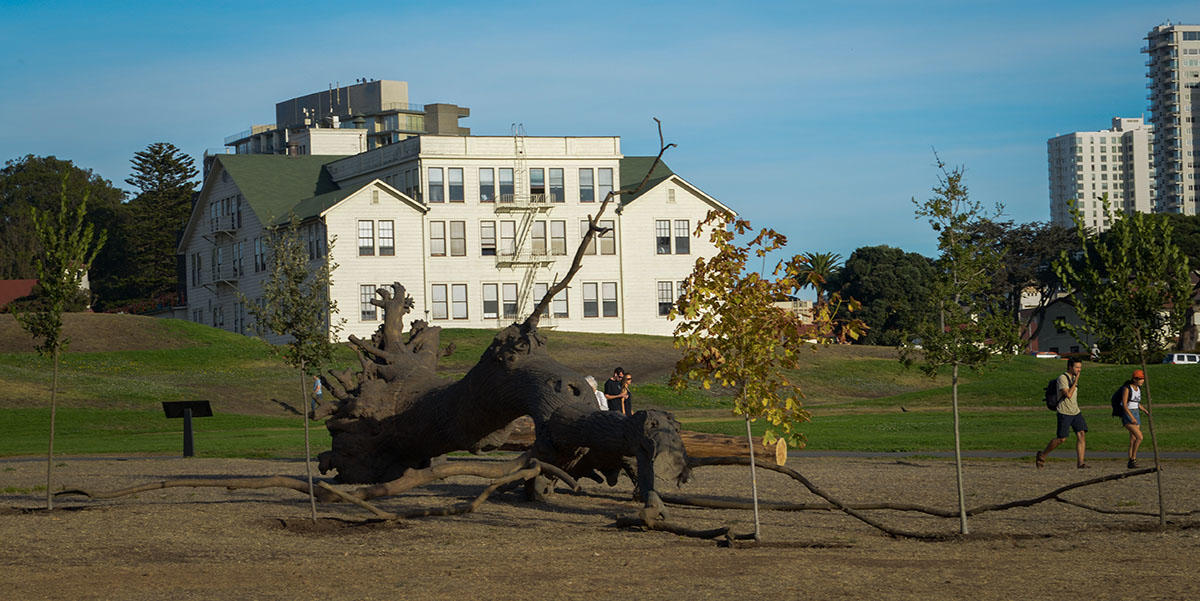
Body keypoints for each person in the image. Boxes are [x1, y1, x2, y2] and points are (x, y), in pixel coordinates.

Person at [1036, 357, 1088, 469]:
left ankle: (1081, 463)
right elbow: (1068, 394)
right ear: (1070, 367)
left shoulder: (1074, 378)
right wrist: (1076, 381)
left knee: (1081, 434)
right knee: (1061, 438)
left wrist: (1075, 380)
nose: (1079, 370)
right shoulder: (1062, 378)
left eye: (1080, 367)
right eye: (1077, 367)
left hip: (1075, 411)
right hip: (1064, 411)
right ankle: (1042, 455)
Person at [1115, 369, 1150, 469]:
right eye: (1140, 379)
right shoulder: (1127, 388)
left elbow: (1136, 403)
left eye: (1143, 379)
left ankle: (1130, 461)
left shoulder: (1138, 389)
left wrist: (1144, 410)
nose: (1142, 381)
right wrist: (1131, 417)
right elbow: (1125, 405)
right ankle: (1133, 459)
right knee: (1140, 437)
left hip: (1136, 413)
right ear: (1135, 379)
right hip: (1128, 414)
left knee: (1133, 439)